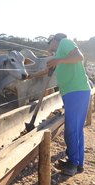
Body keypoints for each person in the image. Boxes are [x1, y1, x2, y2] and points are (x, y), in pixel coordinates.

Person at [31, 33, 91, 176]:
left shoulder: (65, 42)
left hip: (76, 91)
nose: (49, 45)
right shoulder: (60, 57)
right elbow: (47, 72)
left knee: (71, 129)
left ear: (55, 41)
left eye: (50, 42)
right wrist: (30, 76)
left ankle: (72, 164)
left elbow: (79, 57)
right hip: (75, 92)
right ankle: (77, 163)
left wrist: (58, 59)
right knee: (76, 129)